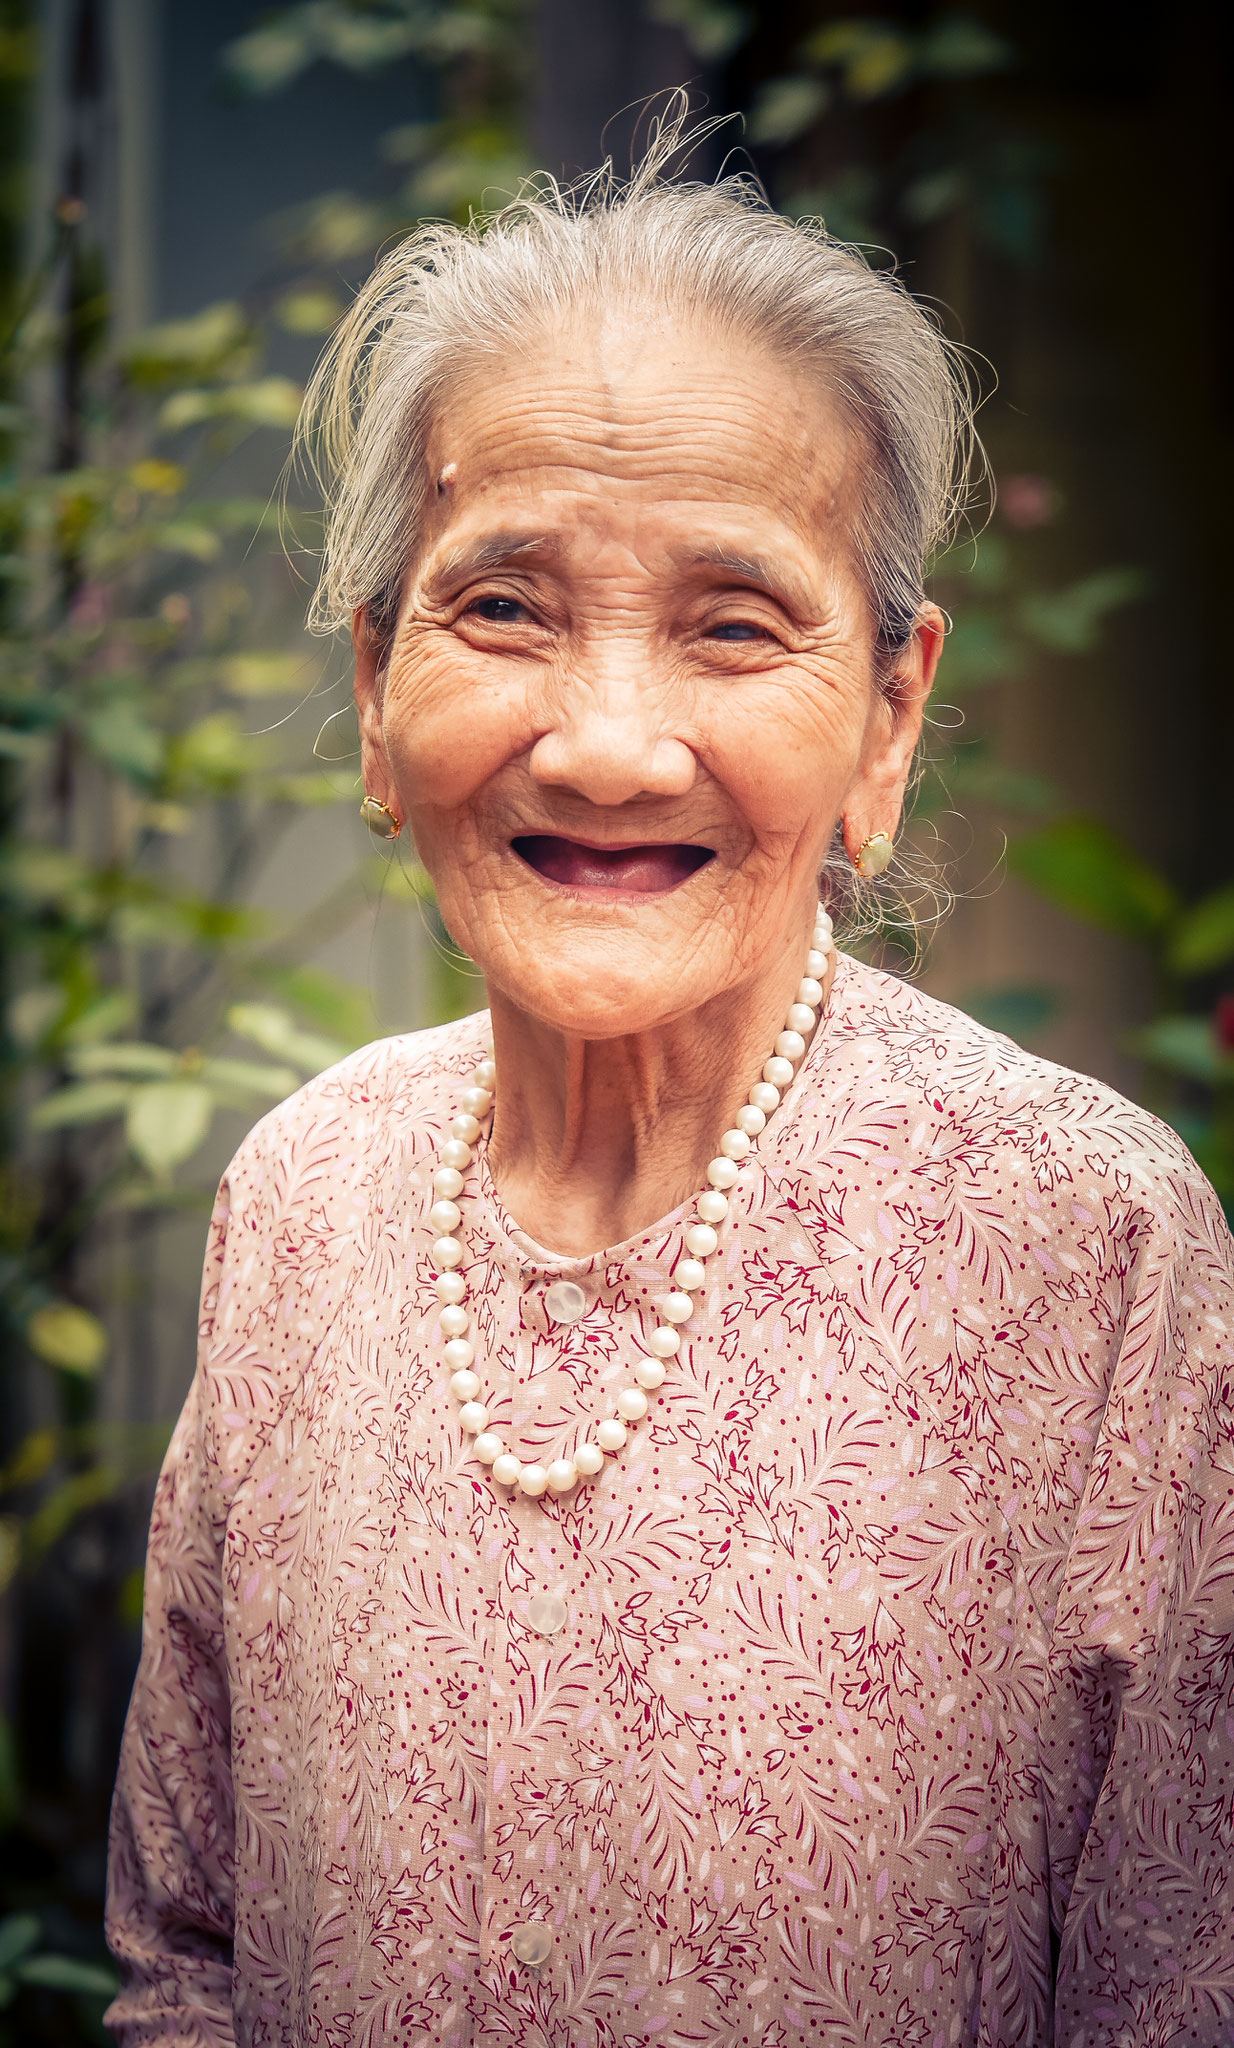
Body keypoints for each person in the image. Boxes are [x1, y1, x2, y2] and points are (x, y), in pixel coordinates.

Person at [105, 114, 1234, 2048]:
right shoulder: (307, 1193)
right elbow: (187, 1955)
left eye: (734, 623)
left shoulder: (1083, 1242)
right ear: (378, 688)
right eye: (504, 606)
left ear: (886, 721)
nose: (611, 747)